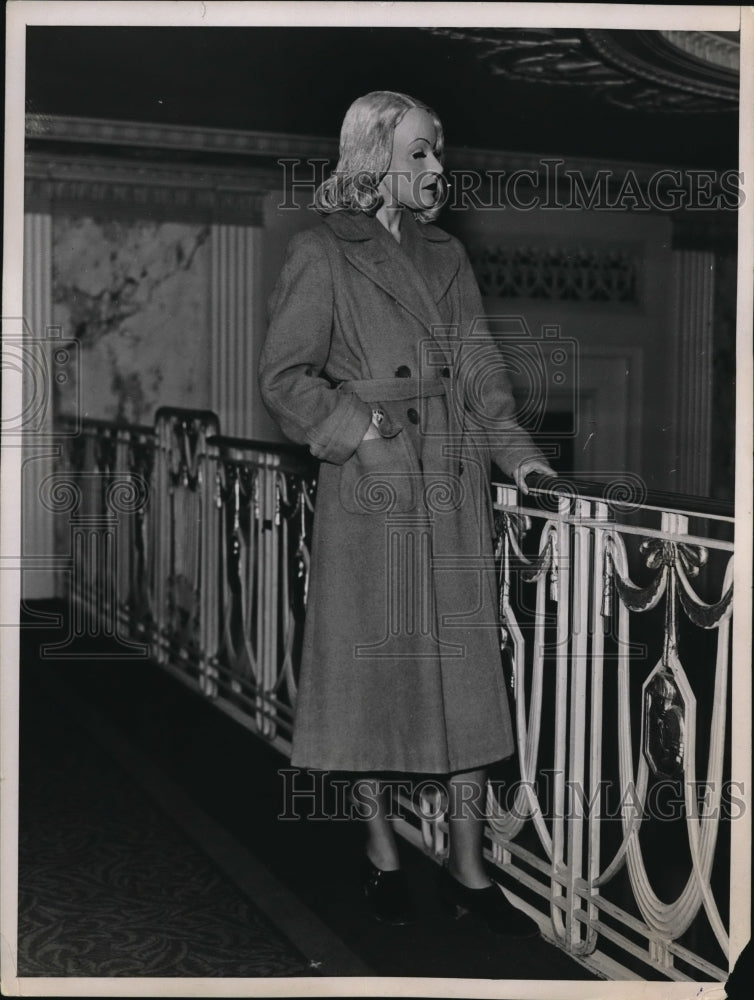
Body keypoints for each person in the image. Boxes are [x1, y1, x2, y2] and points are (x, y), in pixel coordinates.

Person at [259, 90, 554, 934]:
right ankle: (382, 843)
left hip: (453, 486)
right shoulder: (324, 252)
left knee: (466, 683)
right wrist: (363, 427)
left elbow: (481, 367)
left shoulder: (450, 256)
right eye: (421, 153)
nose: (437, 169)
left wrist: (521, 456)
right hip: (374, 491)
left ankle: (469, 867)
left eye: (440, 153)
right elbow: (285, 378)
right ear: (375, 155)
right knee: (373, 682)